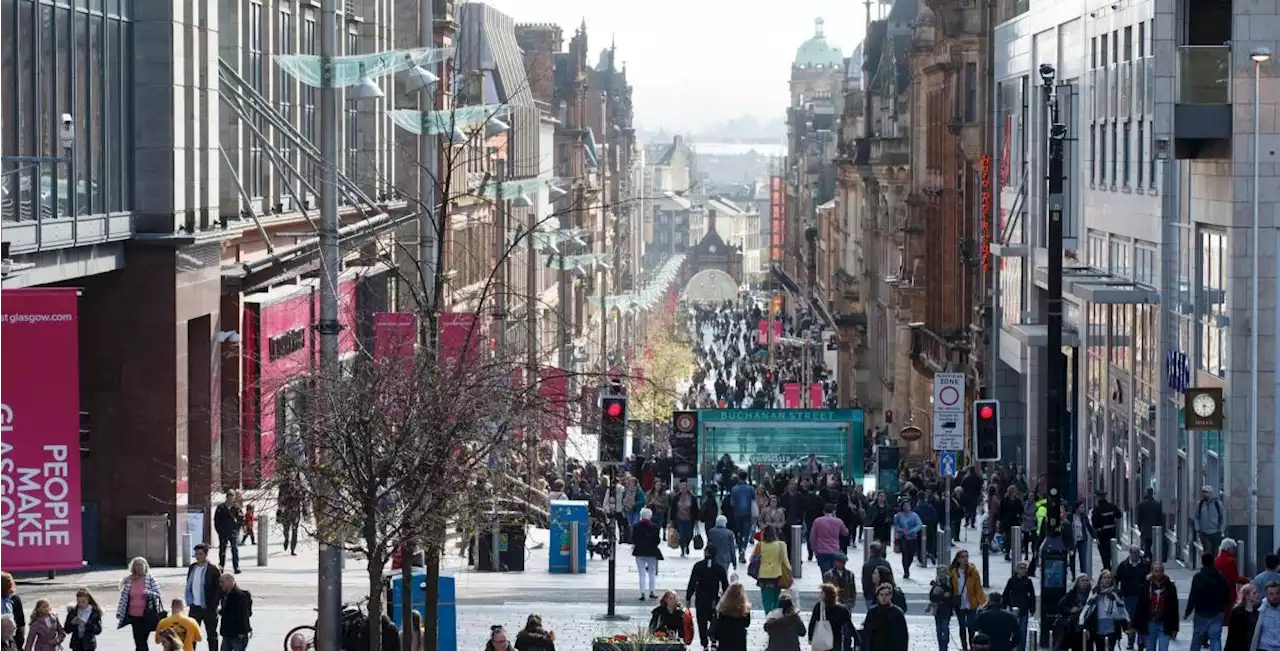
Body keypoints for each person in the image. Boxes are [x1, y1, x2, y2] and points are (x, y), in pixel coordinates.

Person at [1184, 552, 1230, 651]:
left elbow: (1193, 595)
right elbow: (1227, 594)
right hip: (1217, 612)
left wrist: (1188, 612)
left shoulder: (1198, 577)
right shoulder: (1220, 577)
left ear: (1202, 562)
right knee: (1215, 639)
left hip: (1201, 612)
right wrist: (1223, 607)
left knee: (1197, 638)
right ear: (1213, 562)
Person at [116, 557, 164, 651]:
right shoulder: (130, 580)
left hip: (147, 615)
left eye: (141, 565)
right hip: (134, 615)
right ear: (133, 567)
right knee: (139, 641)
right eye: (137, 565)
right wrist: (119, 612)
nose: (139, 567)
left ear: (145, 566)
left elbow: (158, 594)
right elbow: (123, 598)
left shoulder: (150, 578)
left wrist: (148, 593)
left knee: (142, 641)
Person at [686, 545, 729, 649]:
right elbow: (725, 585)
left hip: (701, 597)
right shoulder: (719, 567)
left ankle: (704, 643)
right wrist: (726, 599)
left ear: (706, 552)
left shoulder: (698, 566)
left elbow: (692, 582)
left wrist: (688, 597)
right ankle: (714, 640)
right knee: (714, 619)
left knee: (702, 621)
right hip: (714, 598)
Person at [184, 543, 222, 651]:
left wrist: (213, 604)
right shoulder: (192, 567)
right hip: (194, 606)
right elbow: (189, 585)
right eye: (196, 554)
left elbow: (219, 590)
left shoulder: (213, 569)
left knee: (211, 635)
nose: (197, 556)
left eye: (200, 554)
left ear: (206, 555)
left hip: (208, 607)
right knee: (191, 634)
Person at [1114, 545, 1152, 651]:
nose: (1135, 555)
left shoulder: (1145, 565)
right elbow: (1116, 579)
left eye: (1137, 552)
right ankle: (1131, 641)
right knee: (1130, 620)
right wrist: (1118, 593)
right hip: (1128, 597)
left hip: (1142, 597)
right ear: (1130, 553)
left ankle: (1141, 642)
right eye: (1133, 552)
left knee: (1141, 619)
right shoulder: (1123, 566)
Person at [1081, 569, 1129, 651]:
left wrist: (1126, 627)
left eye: (1109, 578)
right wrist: (1086, 627)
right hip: (1097, 627)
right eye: (1104, 578)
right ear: (1100, 580)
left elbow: (1122, 611)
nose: (1107, 580)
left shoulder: (1116, 593)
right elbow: (1088, 610)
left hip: (1112, 627)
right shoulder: (1094, 593)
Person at [951, 550, 987, 651]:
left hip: (971, 602)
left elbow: (978, 587)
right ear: (958, 559)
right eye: (963, 557)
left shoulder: (973, 571)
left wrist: (982, 602)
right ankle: (964, 647)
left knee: (971, 626)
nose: (965, 559)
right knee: (962, 626)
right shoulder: (953, 571)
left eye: (966, 556)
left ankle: (972, 646)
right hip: (959, 603)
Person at [756, 525, 793, 614]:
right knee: (776, 598)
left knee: (766, 599)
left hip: (763, 575)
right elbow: (785, 561)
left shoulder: (760, 545)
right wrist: (790, 573)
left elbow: (754, 559)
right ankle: (776, 616)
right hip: (777, 575)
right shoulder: (781, 545)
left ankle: (768, 616)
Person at [863, 582, 908, 651]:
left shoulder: (897, 613)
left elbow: (903, 636)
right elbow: (866, 633)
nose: (883, 597)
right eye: (881, 594)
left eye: (886, 595)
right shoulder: (872, 612)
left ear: (890, 596)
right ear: (878, 596)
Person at [632, 507, 664, 601]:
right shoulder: (654, 527)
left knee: (641, 573)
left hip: (639, 551)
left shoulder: (636, 526)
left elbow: (633, 539)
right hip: (651, 551)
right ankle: (652, 592)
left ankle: (642, 593)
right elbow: (657, 540)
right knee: (652, 572)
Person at [1003, 561, 1037, 651]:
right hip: (1013, 608)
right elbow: (1006, 594)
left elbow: (1032, 595)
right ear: (1017, 569)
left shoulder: (1028, 581)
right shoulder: (1012, 581)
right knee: (1013, 630)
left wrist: (1032, 608)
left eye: (1025, 568)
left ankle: (1021, 648)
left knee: (1023, 630)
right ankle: (1012, 647)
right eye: (1021, 568)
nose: (1023, 570)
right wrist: (1004, 606)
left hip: (1024, 608)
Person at [809, 583, 852, 651]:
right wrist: (856, 638)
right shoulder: (842, 609)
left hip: (822, 639)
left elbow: (812, 623)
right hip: (836, 640)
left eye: (822, 593)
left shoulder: (819, 607)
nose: (820, 595)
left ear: (827, 595)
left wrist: (810, 638)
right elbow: (849, 625)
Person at [810, 503, 849, 576]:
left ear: (823, 511)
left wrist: (814, 549)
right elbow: (845, 532)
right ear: (834, 511)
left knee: (825, 574)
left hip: (821, 551)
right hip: (835, 550)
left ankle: (826, 586)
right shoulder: (838, 521)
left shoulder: (817, 521)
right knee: (834, 574)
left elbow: (812, 537)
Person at [216, 573, 252, 651]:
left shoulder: (241, 596)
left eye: (223, 582)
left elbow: (245, 614)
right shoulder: (225, 595)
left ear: (230, 581)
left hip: (238, 634)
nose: (220, 584)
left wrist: (242, 632)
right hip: (227, 633)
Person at [1214, 539, 1250, 617]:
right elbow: (1235, 578)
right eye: (1233, 548)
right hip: (1229, 591)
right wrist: (1248, 580)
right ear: (1229, 548)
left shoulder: (1216, 560)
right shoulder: (1230, 561)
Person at [713, 583, 752, 651]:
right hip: (739, 641)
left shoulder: (723, 609)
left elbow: (718, 625)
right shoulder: (744, 609)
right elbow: (747, 624)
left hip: (725, 641)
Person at [892, 500, 924, 579]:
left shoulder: (914, 515)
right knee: (905, 554)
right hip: (903, 537)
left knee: (911, 554)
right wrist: (901, 530)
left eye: (908, 505)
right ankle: (906, 570)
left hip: (912, 537)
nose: (907, 507)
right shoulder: (899, 515)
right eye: (905, 505)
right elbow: (895, 525)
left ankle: (907, 566)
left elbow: (919, 524)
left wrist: (913, 530)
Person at [1091, 492, 1123, 571]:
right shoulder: (1111, 506)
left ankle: (1106, 567)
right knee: (1111, 551)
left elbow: (1094, 523)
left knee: (1103, 552)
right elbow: (1119, 514)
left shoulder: (1097, 509)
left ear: (1098, 498)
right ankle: (1110, 567)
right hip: (1112, 533)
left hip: (1102, 534)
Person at [213, 493, 244, 574]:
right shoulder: (221, 507)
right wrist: (219, 531)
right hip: (223, 532)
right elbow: (216, 520)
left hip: (233, 532)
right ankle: (221, 566)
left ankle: (236, 566)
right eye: (229, 497)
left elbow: (241, 519)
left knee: (234, 549)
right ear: (226, 498)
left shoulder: (236, 507)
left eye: (232, 498)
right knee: (222, 549)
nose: (230, 499)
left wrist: (237, 529)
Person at [1222, 583, 1258, 651]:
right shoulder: (1237, 612)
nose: (1257, 595)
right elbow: (1232, 634)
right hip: (1240, 646)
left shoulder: (1258, 610)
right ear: (1247, 595)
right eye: (1254, 593)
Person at [1246, 581, 1280, 651]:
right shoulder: (1258, 609)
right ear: (1266, 594)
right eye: (1271, 594)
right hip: (1264, 648)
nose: (1275, 596)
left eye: (1277, 593)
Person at [729, 472, 756, 560]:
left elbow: (732, 503)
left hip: (737, 514)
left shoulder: (734, 489)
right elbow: (753, 502)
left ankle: (740, 547)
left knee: (739, 533)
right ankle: (743, 549)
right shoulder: (750, 489)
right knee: (746, 533)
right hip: (748, 514)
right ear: (746, 477)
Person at [929, 566, 956, 651]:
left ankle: (945, 645)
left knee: (945, 627)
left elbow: (950, 597)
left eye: (943, 572)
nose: (941, 574)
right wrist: (942, 596)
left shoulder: (950, 583)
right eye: (939, 572)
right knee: (939, 630)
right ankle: (941, 646)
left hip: (946, 609)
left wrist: (940, 596)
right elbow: (932, 597)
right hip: (937, 610)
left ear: (946, 573)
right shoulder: (936, 583)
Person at [861, 542, 894, 611]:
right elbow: (891, 579)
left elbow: (865, 582)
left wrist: (866, 594)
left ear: (871, 551)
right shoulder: (886, 563)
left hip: (870, 596)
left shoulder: (867, 565)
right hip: (886, 593)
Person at [1193, 487, 1226, 556]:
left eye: (1206, 492)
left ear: (1211, 493)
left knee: (1215, 551)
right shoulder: (1200, 504)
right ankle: (1208, 566)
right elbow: (1196, 517)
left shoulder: (1217, 504)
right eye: (1204, 492)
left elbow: (1223, 517)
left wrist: (1221, 530)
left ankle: (1214, 566)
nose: (1205, 494)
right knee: (1207, 551)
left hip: (1215, 532)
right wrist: (1198, 529)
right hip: (1204, 533)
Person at [1135, 489, 1163, 561]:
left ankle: (1148, 557)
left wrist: (1139, 527)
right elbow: (1160, 518)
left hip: (1145, 528)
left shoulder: (1141, 504)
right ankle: (1150, 557)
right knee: (1152, 544)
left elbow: (1139, 518)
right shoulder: (1157, 504)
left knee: (1147, 544)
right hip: (1155, 529)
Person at [0, 572, 25, 650]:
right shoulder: (14, 599)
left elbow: (21, 622)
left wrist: (20, 640)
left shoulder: (15, 599)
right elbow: (21, 623)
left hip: (12, 640)